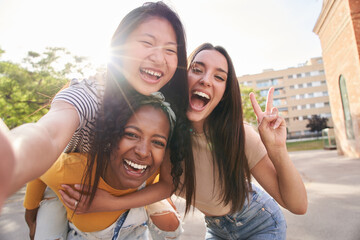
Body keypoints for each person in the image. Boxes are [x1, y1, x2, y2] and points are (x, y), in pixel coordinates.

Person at [63, 43, 308, 239]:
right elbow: (166, 185)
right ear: (182, 77)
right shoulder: (165, 133)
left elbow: (297, 206)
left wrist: (277, 149)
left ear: (223, 94)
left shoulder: (239, 135)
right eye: (198, 69)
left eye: (219, 77)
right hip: (217, 228)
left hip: (259, 222)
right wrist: (109, 202)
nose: (206, 80)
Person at [24, 93, 182, 239]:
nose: (143, 152)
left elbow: (167, 184)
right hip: (83, 227)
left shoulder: (152, 166)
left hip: (133, 211)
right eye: (131, 134)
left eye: (157, 142)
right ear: (110, 137)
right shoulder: (73, 174)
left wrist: (112, 203)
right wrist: (30, 216)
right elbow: (38, 164)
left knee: (171, 226)